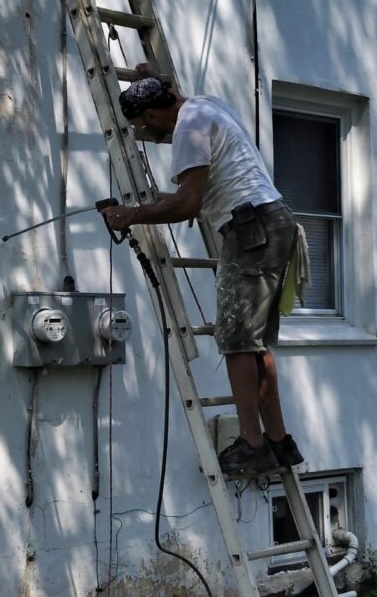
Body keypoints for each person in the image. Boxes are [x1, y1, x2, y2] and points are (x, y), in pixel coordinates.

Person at [100, 66, 303, 476]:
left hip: (251, 230)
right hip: (274, 222)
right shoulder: (203, 105)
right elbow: (168, 86)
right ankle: (279, 442)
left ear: (155, 114)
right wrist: (151, 75)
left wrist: (131, 216)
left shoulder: (187, 131)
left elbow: (188, 204)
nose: (144, 132)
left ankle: (252, 444)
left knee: (235, 341)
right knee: (255, 343)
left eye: (142, 124)